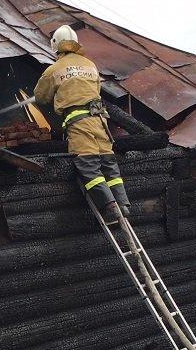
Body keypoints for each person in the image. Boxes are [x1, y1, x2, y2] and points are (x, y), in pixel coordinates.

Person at [34, 25, 131, 224]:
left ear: (55, 46)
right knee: (108, 163)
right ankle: (123, 204)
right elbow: (95, 90)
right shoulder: (90, 65)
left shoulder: (54, 69)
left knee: (88, 165)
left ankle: (110, 206)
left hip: (80, 124)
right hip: (101, 121)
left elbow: (40, 97)